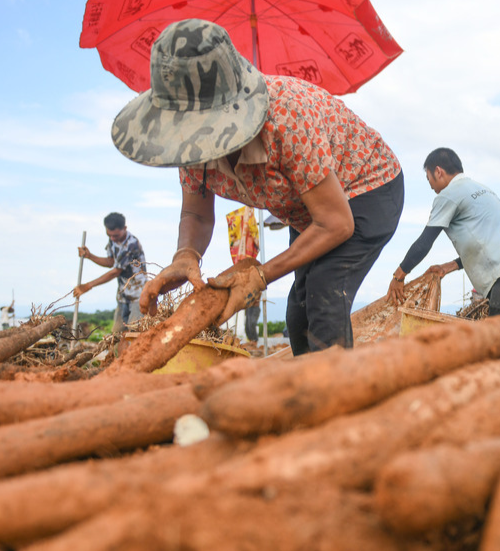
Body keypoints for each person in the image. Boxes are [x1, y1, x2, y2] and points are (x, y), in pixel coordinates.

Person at [111, 19, 403, 355]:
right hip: (305, 212)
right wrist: (186, 254)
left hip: (365, 190)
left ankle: (337, 399)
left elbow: (336, 223)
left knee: (324, 296)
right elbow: (196, 212)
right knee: (298, 314)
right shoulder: (188, 143)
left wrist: (260, 276)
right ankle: (306, 394)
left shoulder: (287, 119)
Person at [386, 148, 500, 316]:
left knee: (499, 339)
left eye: (429, 179)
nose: (432, 187)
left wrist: (399, 276)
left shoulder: (448, 195)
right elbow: (484, 244)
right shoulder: (483, 189)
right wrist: (448, 267)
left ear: (438, 171)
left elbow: (424, 242)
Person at [73, 212, 150, 333]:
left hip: (138, 295)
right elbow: (111, 262)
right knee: (117, 334)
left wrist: (88, 285)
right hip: (123, 296)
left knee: (135, 334)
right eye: (109, 235)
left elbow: (115, 271)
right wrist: (89, 256)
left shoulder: (131, 244)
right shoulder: (113, 241)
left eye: (116, 235)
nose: (113, 238)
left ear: (124, 228)